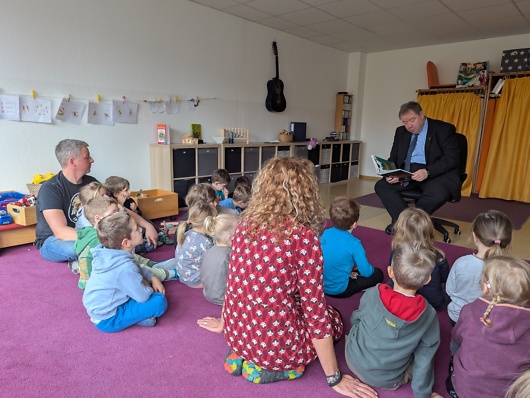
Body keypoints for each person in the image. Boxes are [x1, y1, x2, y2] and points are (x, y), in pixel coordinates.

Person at [197, 157, 377, 398]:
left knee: (281, 303)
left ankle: (244, 354)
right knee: (334, 319)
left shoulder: (244, 224)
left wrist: (224, 324)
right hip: (274, 343)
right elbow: (315, 311)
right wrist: (334, 377)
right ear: (306, 193)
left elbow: (235, 282)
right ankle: (271, 367)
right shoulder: (303, 238)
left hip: (238, 331)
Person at [35, 139, 158, 264]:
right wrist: (104, 238)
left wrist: (146, 225)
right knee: (77, 248)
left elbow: (116, 207)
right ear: (72, 161)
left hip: (92, 232)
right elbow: (60, 231)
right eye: (87, 157)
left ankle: (104, 252)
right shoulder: (51, 189)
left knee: (118, 239)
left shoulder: (91, 182)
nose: (92, 160)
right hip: (55, 240)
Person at [345, 243, 443, 398]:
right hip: (388, 380)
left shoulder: (372, 293)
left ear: (390, 272)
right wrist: (423, 394)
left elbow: (356, 319)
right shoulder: (429, 314)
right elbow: (425, 359)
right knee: (422, 352)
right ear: (427, 280)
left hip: (353, 360)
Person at [448, 255, 530, 398]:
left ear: (485, 287)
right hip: (507, 394)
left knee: (455, 346)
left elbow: (457, 338)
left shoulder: (470, 310)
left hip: (463, 389)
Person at [374, 101, 460, 235]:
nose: (408, 126)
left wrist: (428, 171)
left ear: (421, 115)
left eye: (412, 120)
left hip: (434, 173)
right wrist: (391, 173)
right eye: (404, 122)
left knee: (438, 194)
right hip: (407, 173)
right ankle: (406, 223)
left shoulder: (444, 129)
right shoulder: (401, 132)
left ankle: (405, 224)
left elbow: (451, 159)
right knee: (382, 186)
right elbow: (394, 158)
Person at [82, 211, 168, 333]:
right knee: (159, 301)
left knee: (137, 290)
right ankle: (134, 320)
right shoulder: (124, 267)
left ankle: (136, 318)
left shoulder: (109, 253)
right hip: (108, 319)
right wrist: (147, 285)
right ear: (126, 242)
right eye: (136, 229)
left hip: (101, 307)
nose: (140, 229)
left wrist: (152, 276)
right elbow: (143, 296)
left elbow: (136, 267)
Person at [74, 196, 173, 290]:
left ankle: (153, 265)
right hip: (101, 282)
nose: (119, 214)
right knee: (135, 267)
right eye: (114, 212)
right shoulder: (103, 237)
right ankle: (166, 273)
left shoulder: (93, 231)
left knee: (131, 256)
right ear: (98, 218)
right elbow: (122, 264)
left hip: (104, 272)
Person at [446, 210, 513, 324]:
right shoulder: (510, 270)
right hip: (489, 319)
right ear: (507, 241)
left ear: (474, 236)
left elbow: (450, 290)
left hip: (457, 315)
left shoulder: (462, 263)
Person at [320, 196, 383, 297]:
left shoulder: (326, 233)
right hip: (341, 290)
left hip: (321, 286)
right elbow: (366, 272)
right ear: (354, 224)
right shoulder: (355, 244)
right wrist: (368, 269)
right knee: (378, 273)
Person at [389, 207, 449, 309]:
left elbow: (394, 273)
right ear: (429, 231)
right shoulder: (438, 256)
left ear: (400, 232)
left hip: (402, 297)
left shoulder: (397, 253)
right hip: (432, 302)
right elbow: (444, 278)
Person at [105, 176, 173, 253]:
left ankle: (160, 234)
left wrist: (135, 210)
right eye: (126, 190)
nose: (130, 191)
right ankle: (146, 244)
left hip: (136, 224)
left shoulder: (129, 201)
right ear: (116, 194)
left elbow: (139, 214)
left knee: (144, 219)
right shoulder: (113, 206)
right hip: (128, 229)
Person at [175, 202, 217, 288]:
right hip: (196, 281)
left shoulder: (187, 233)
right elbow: (213, 262)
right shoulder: (205, 242)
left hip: (183, 276)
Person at [200, 213, 239, 305]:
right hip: (223, 298)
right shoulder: (230, 255)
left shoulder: (208, 251)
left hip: (207, 292)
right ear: (230, 239)